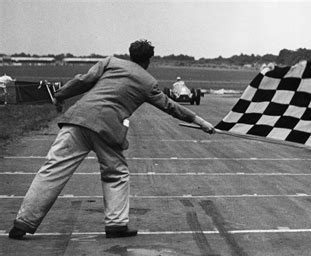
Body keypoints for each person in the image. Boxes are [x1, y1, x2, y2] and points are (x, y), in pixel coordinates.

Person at [8, 39, 215, 240]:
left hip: (77, 119)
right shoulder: (148, 82)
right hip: (107, 128)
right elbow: (171, 106)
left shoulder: (110, 62)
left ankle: (22, 223)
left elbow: (83, 81)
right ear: (148, 60)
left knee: (52, 170)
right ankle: (116, 224)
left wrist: (60, 95)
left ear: (130, 53)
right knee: (116, 174)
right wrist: (201, 121)